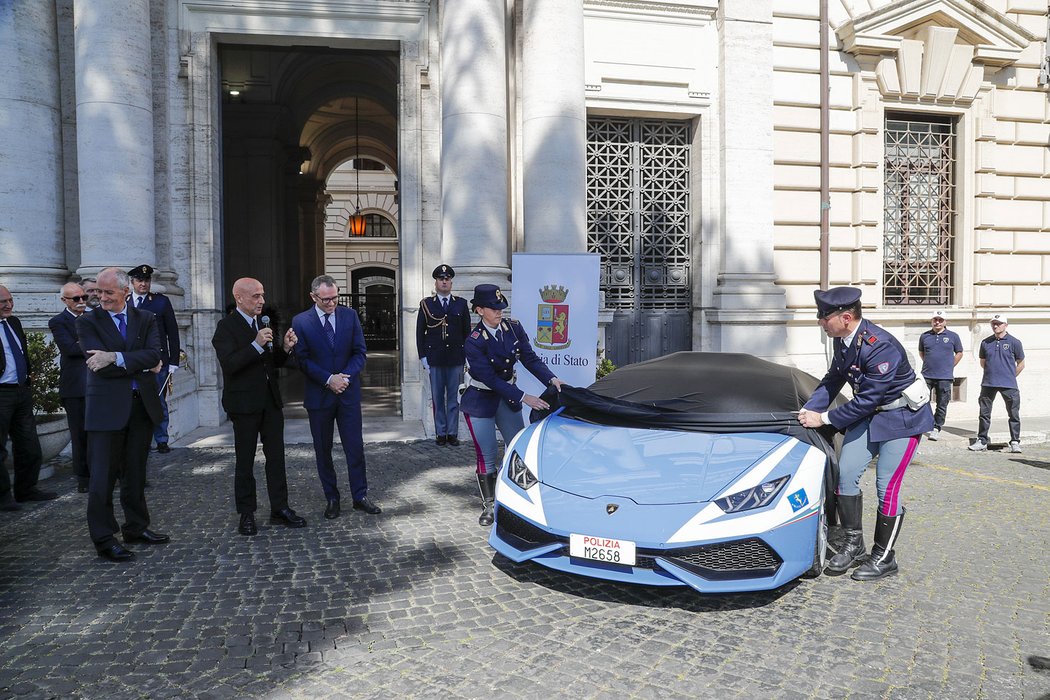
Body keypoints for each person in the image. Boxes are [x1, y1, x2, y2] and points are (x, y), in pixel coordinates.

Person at [796, 287, 932, 581]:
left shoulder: (879, 346)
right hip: (870, 416)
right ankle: (854, 543)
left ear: (846, 317)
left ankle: (884, 557)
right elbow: (834, 378)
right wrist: (809, 410)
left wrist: (824, 418)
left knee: (887, 487)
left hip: (902, 420)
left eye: (824, 317)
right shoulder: (843, 340)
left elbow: (868, 399)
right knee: (846, 474)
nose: (820, 321)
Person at [76, 267, 169, 561]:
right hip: (106, 409)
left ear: (125, 292)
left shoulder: (147, 318)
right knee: (102, 478)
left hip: (141, 406)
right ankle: (104, 538)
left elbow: (156, 355)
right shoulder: (89, 321)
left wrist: (115, 357)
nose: (101, 297)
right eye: (97, 292)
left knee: (135, 473)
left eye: (108, 293)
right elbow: (95, 363)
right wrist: (137, 362)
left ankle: (136, 527)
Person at [461, 284, 565, 526]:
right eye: (493, 308)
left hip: (506, 398)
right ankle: (490, 505)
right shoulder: (474, 341)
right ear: (479, 310)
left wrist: (551, 378)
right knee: (486, 455)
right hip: (481, 399)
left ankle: (521, 500)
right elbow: (489, 379)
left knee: (518, 450)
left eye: (501, 307)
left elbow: (529, 358)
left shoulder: (513, 328)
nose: (499, 312)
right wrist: (523, 396)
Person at [212, 277, 306, 535]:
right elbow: (230, 364)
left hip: (270, 401)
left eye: (262, 295)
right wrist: (255, 344)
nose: (262, 301)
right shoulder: (225, 328)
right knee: (245, 461)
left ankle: (280, 508)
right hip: (243, 404)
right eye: (255, 296)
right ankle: (246, 513)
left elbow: (271, 361)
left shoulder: (263, 324)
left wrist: (285, 348)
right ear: (239, 297)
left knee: (276, 458)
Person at [292, 275, 380, 519]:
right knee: (323, 450)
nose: (332, 303)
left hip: (347, 393)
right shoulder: (301, 322)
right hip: (319, 397)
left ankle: (360, 496)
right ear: (313, 297)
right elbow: (302, 359)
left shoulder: (349, 316)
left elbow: (360, 352)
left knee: (355, 448)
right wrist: (329, 379)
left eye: (335, 298)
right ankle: (332, 498)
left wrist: (344, 377)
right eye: (326, 300)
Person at [0, 285, 57, 511]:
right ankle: (3, 497)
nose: (9, 305)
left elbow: (21, 351)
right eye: (2, 301)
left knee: (29, 444)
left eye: (10, 300)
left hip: (21, 391)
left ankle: (26, 489)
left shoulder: (14, 322)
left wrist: (27, 381)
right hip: (1, 393)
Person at [128, 264, 181, 453]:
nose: (144, 284)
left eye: (147, 280)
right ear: (132, 282)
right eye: (140, 280)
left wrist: (174, 360)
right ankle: (139, 437)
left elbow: (172, 332)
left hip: (157, 360)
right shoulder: (126, 302)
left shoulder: (160, 302)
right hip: (133, 360)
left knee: (158, 401)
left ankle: (161, 439)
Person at [416, 264, 470, 446]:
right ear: (436, 282)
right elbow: (419, 332)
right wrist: (423, 357)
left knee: (454, 398)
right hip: (435, 359)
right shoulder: (426, 304)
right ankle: (441, 432)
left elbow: (466, 333)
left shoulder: (461, 304)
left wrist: (467, 356)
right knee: (438, 397)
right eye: (441, 279)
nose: (444, 281)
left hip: (455, 358)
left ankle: (452, 433)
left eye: (447, 279)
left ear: (451, 282)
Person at [48, 283, 91, 492]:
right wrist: (97, 344)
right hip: (75, 387)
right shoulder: (58, 322)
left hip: (100, 384)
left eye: (84, 297)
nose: (82, 302)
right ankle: (83, 477)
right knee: (80, 434)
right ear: (64, 300)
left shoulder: (96, 316)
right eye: (76, 299)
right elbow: (70, 348)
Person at [968, 313, 1025, 453]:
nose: (995, 326)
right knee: (984, 414)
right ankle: (982, 440)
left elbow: (1021, 363)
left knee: (1013, 414)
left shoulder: (1014, 342)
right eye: (993, 323)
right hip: (988, 383)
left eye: (998, 323)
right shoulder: (985, 342)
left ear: (1005, 325)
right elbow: (983, 363)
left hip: (1009, 385)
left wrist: (1010, 376)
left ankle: (1015, 441)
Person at [917, 310, 962, 441]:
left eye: (940, 320)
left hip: (945, 376)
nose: (937, 322)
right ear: (932, 321)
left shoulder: (953, 336)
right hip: (927, 375)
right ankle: (925, 424)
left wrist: (949, 365)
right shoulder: (925, 336)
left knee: (942, 403)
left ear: (945, 322)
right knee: (922, 401)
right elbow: (922, 352)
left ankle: (937, 427)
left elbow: (959, 353)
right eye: (935, 320)